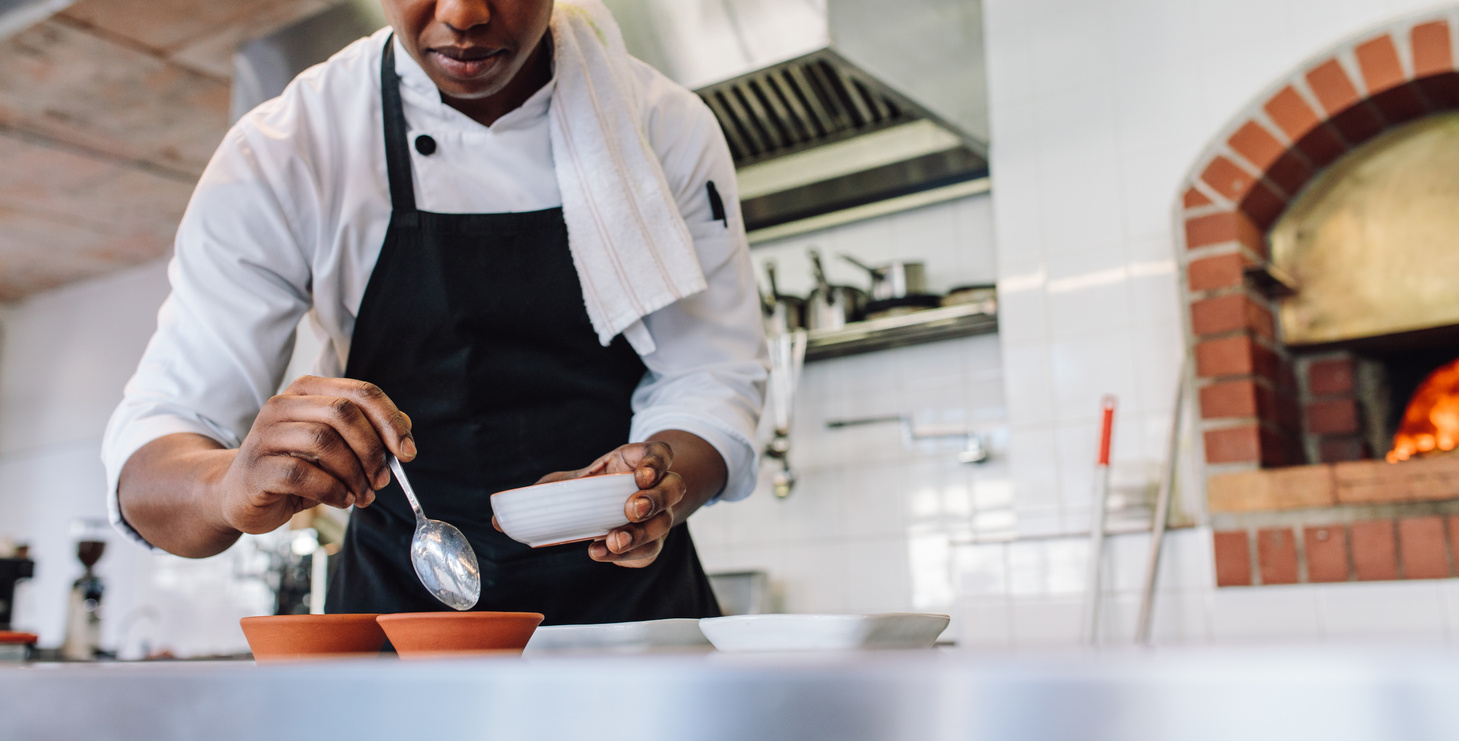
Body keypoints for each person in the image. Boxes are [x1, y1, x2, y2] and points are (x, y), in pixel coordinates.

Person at [101, 0, 766, 623]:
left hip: (633, 617)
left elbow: (711, 382)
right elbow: (159, 447)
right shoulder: (289, 147)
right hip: (399, 617)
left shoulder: (663, 127)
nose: (463, 14)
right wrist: (227, 485)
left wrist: (656, 481)